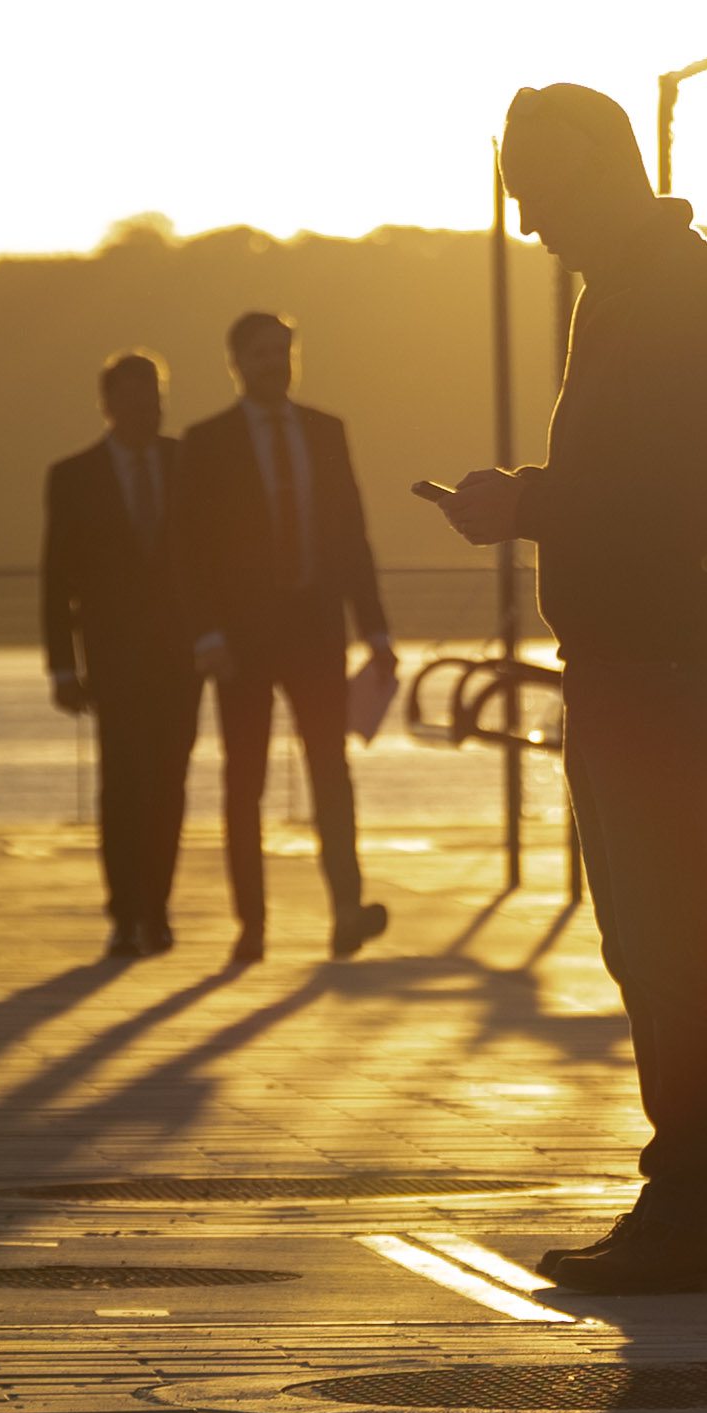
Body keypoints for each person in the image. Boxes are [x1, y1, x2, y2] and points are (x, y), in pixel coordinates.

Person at [418, 86, 707, 1289]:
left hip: (666, 656)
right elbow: (634, 479)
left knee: (667, 936)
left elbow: (660, 497)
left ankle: (690, 1218)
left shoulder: (670, 302)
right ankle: (680, 1203)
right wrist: (532, 497)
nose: (531, 230)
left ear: (594, 173)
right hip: (644, 651)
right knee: (649, 935)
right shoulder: (634, 292)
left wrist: (527, 503)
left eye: (538, 200)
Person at [179, 309, 400, 968]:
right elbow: (188, 549)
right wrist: (207, 633)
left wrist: (377, 629)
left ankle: (346, 911)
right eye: (261, 353)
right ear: (237, 362)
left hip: (314, 630)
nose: (275, 363)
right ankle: (252, 923)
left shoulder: (325, 432)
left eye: (283, 350)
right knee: (242, 780)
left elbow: (351, 537)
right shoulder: (207, 441)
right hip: (240, 640)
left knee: (330, 770)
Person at [43, 350, 199, 958]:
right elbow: (58, 578)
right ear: (108, 406)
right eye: (135, 401)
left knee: (170, 782)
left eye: (155, 399)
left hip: (182, 655)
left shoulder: (187, 463)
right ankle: (124, 908)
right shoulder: (74, 476)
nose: (147, 411)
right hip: (112, 656)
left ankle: (156, 907)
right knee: (121, 782)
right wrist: (61, 665)